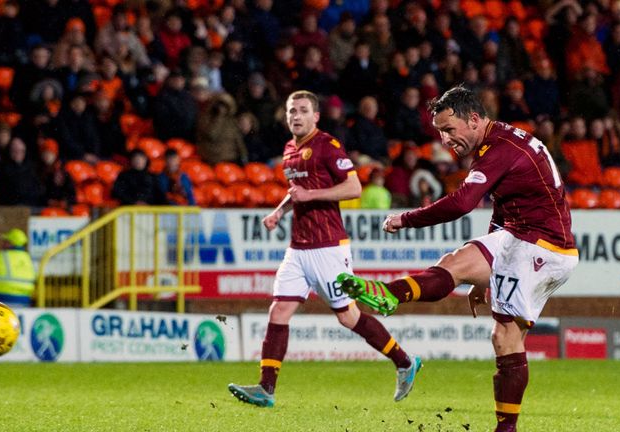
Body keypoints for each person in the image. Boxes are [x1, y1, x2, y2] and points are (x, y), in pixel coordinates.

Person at [337, 86, 578, 432]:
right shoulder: (502, 140)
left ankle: (390, 294)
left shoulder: (498, 148)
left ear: (475, 119)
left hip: (541, 247)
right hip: (522, 236)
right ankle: (389, 294)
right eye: (440, 133)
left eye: (450, 129)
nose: (447, 140)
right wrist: (489, 274)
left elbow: (463, 203)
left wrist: (406, 219)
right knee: (469, 280)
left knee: (499, 327)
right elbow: (503, 205)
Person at [228, 90, 421, 408]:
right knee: (279, 311)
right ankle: (266, 388)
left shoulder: (327, 146)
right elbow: (298, 192)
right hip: (298, 248)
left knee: (348, 317)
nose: (296, 116)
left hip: (329, 247)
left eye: (303, 110)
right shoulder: (290, 149)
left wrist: (311, 196)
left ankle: (404, 362)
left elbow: (353, 186)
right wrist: (279, 211)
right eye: (292, 111)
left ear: (315, 116)